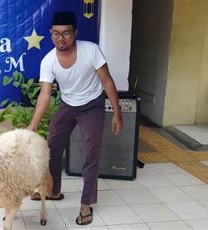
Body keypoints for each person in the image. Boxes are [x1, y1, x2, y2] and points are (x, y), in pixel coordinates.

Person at [27, 11, 123, 225]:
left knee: (91, 153)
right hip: (68, 104)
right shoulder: (48, 60)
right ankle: (52, 191)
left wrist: (117, 112)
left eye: (67, 33)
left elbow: (107, 81)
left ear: (75, 33)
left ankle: (86, 203)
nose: (61, 39)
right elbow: (45, 94)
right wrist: (32, 126)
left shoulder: (91, 50)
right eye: (57, 34)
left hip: (92, 105)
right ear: (51, 34)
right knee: (51, 147)